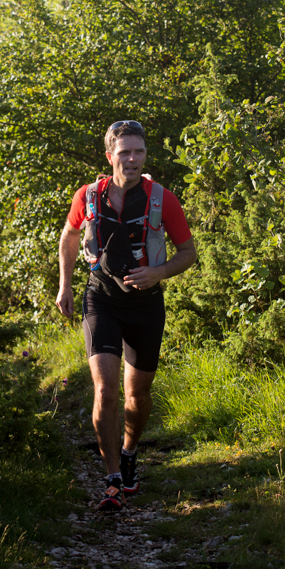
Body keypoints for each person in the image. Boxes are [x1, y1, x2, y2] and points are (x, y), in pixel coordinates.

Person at [56, 120, 197, 511]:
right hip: (100, 298)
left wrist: (159, 272)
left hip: (146, 303)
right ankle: (113, 477)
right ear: (109, 157)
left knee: (138, 392)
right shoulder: (87, 195)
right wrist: (65, 285)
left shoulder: (163, 199)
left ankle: (131, 451)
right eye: (124, 153)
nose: (132, 160)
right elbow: (69, 236)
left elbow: (188, 252)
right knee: (106, 389)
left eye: (139, 152)